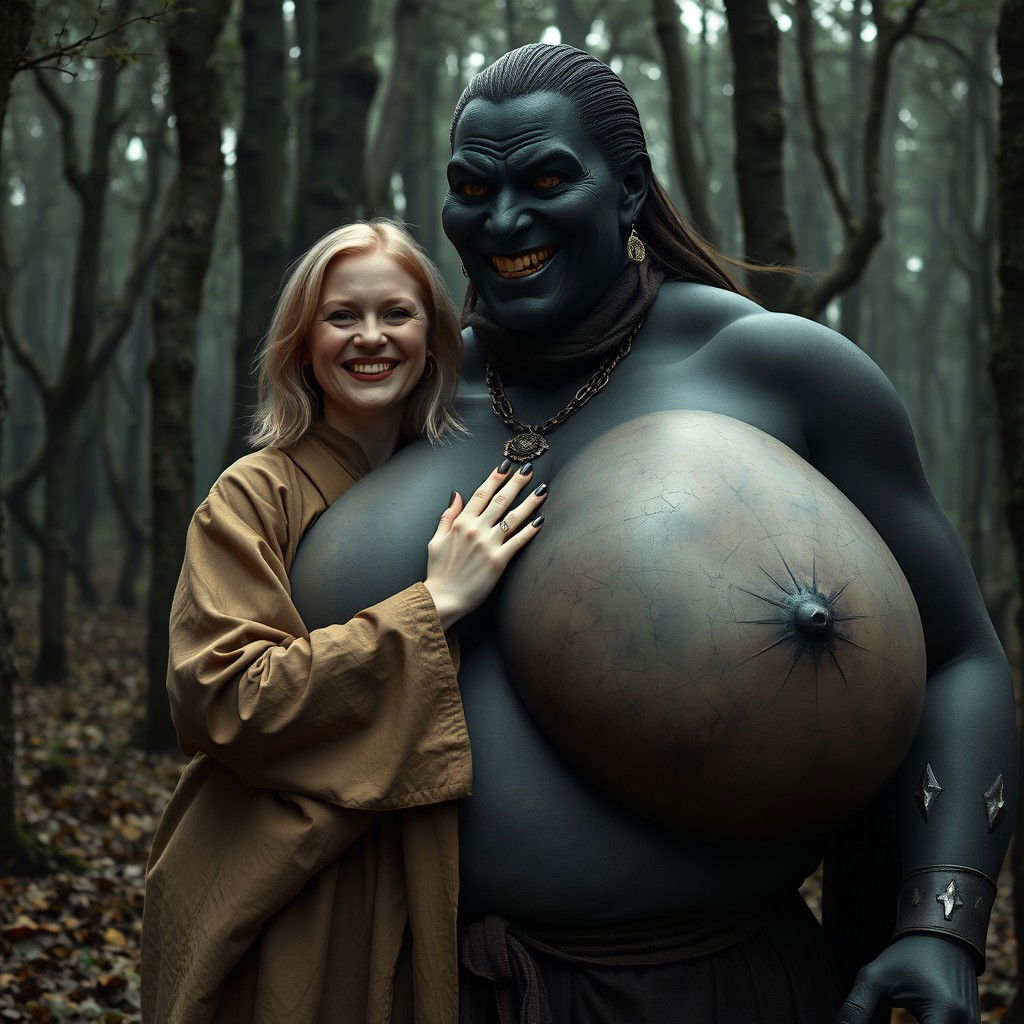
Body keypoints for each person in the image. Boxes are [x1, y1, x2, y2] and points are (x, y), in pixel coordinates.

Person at [291, 46, 1018, 1024]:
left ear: (627, 189)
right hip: (405, 981)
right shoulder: (389, 404)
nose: (502, 222)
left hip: (709, 989)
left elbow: (957, 657)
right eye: (471, 188)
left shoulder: (775, 371)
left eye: (546, 180)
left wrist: (940, 922)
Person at [141, 220, 548, 1023]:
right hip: (290, 889)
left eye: (396, 314)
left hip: (444, 887)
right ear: (302, 342)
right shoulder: (252, 495)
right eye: (341, 316)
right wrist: (431, 607)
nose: (371, 337)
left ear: (434, 338)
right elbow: (223, 695)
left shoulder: (469, 483)